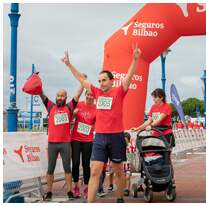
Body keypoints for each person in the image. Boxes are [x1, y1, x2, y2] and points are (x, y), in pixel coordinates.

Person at [61, 43, 141, 203]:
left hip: (116, 137)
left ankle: (119, 198)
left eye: (104, 80)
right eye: (99, 80)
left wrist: (135, 60)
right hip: (100, 138)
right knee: (95, 171)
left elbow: (129, 76)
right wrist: (69, 65)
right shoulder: (96, 92)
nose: (101, 83)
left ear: (112, 81)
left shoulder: (119, 91)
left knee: (118, 171)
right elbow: (81, 79)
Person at [39, 82, 84, 201]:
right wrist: (37, 83)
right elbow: (41, 94)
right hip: (52, 143)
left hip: (65, 143)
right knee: (50, 168)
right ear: (56, 97)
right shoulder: (50, 106)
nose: (60, 97)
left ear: (66, 97)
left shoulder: (69, 107)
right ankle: (49, 192)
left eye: (62, 96)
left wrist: (83, 81)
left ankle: (69, 191)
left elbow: (78, 94)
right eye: (58, 95)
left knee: (67, 168)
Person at [71, 90, 96, 198]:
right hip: (76, 138)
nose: (89, 96)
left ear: (94, 97)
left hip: (88, 140)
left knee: (86, 164)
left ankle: (86, 187)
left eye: (92, 95)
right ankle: (76, 186)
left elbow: (97, 123)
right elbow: (70, 119)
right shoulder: (79, 104)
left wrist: (92, 128)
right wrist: (73, 114)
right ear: (85, 95)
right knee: (75, 163)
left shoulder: (96, 108)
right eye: (88, 94)